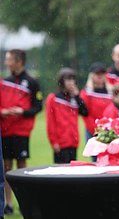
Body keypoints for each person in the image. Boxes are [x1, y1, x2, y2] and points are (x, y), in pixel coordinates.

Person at [0, 49, 43, 215]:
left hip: (21, 132)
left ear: (18, 61)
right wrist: (2, 112)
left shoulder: (32, 82)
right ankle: (8, 204)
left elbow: (38, 106)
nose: (6, 62)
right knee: (6, 166)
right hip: (5, 130)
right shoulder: (4, 82)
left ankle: (23, 203)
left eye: (8, 59)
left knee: (21, 166)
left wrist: (22, 112)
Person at [45, 67, 88, 164]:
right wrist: (54, 142)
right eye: (68, 79)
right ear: (61, 81)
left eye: (73, 79)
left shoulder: (74, 98)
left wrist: (77, 96)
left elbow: (85, 112)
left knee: (72, 173)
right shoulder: (53, 98)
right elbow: (50, 122)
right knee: (61, 175)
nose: (71, 82)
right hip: (60, 143)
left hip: (73, 142)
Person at [80, 62, 112, 140]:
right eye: (97, 73)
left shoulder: (111, 91)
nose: (100, 76)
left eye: (102, 73)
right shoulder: (86, 92)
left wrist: (108, 128)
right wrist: (95, 130)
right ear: (92, 75)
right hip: (92, 132)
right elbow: (85, 114)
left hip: (109, 130)